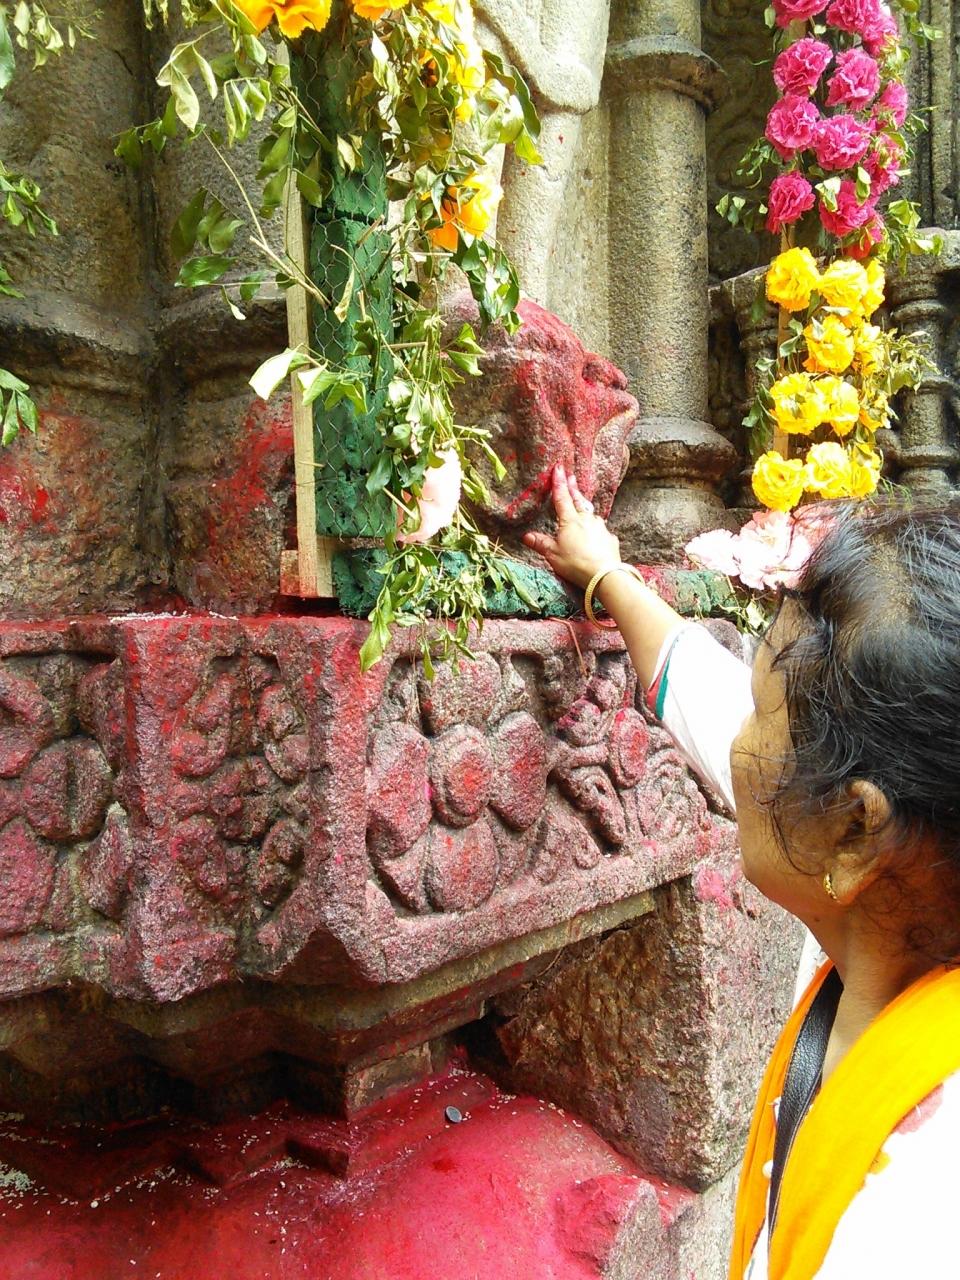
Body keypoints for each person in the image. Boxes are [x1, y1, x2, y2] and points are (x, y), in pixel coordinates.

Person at [524, 462, 960, 1280]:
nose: (738, 737)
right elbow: (703, 688)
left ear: (855, 830)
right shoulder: (906, 893)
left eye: (763, 710)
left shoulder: (920, 1211)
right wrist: (608, 575)